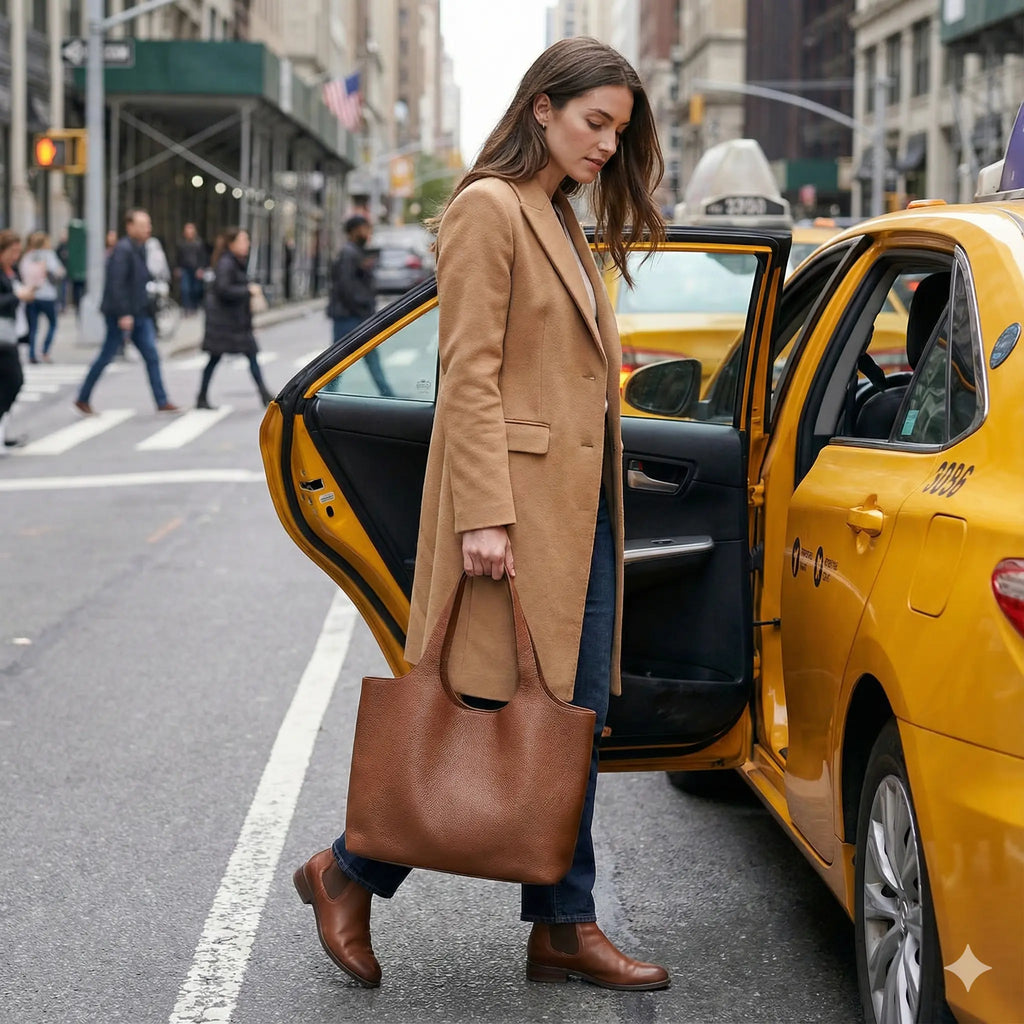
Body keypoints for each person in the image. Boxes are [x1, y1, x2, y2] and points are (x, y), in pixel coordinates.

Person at [292, 37, 668, 991]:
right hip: (512, 519)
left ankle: (558, 925)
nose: (608, 146)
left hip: (575, 518)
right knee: (486, 712)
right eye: (596, 123)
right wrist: (484, 518)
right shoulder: (488, 209)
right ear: (541, 108)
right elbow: (467, 375)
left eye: (620, 132)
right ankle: (349, 868)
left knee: (563, 722)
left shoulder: (558, 214)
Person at [74, 209, 179, 415]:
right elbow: (117, 284)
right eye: (142, 225)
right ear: (130, 226)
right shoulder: (123, 250)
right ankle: (82, 397)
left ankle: (162, 400)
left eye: (148, 225)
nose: (147, 229)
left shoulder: (138, 248)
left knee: (151, 356)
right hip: (123, 314)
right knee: (107, 355)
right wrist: (124, 314)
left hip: (139, 313)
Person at [195, 226, 273, 409]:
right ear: (232, 244)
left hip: (233, 323)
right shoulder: (227, 263)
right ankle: (202, 397)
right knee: (217, 358)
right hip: (226, 324)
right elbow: (223, 289)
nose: (247, 244)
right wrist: (247, 290)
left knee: (248, 356)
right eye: (243, 240)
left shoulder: (234, 261)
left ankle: (264, 394)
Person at [328, 215, 392, 396]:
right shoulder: (349, 253)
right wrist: (362, 308)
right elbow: (346, 287)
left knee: (357, 358)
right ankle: (328, 395)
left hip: (355, 315)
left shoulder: (354, 251)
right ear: (355, 230)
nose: (368, 233)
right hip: (350, 317)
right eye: (365, 228)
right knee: (337, 361)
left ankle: (387, 393)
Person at [0, 230, 33, 450]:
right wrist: (17, 296)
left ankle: (2, 432)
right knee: (14, 380)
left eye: (18, 252)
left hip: (10, 332)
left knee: (7, 382)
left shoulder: (11, 271)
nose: (15, 256)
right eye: (12, 251)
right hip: (2, 336)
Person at [19, 231, 65, 364]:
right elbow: (59, 272)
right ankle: (45, 351)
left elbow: (22, 274)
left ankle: (32, 354)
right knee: (53, 323)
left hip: (31, 295)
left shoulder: (27, 256)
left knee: (33, 327)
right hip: (47, 295)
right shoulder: (49, 255)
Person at [174, 222, 206, 315]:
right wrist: (177, 268)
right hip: (185, 269)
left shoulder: (199, 243)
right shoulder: (181, 244)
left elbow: (202, 257)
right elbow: (178, 257)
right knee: (185, 289)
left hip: (196, 269)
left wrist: (201, 268)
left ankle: (194, 307)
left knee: (196, 289)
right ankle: (186, 308)